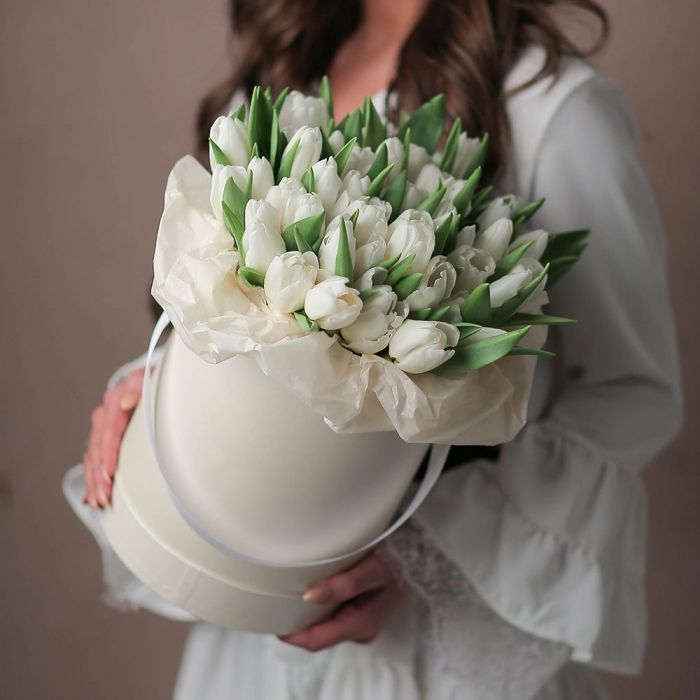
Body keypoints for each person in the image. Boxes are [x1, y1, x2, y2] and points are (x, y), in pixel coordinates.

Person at [64, 0, 683, 697]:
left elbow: (634, 395)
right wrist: (150, 388)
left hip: (426, 663)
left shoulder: (551, 106)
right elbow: (228, 320)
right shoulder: (281, 72)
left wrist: (428, 556)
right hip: (249, 648)